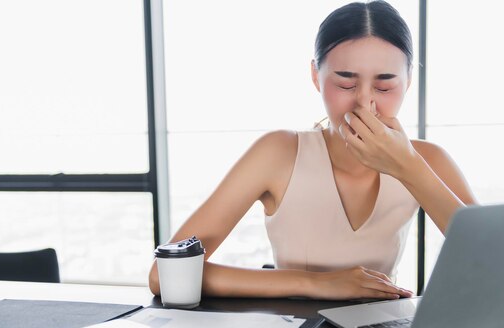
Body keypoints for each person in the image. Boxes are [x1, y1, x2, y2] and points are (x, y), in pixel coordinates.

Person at [149, 0, 477, 300]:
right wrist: (315, 283)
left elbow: (498, 265)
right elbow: (165, 275)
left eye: (385, 85)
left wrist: (407, 166)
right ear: (316, 77)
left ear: (409, 80)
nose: (365, 102)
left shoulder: (429, 160)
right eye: (345, 84)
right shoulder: (278, 152)